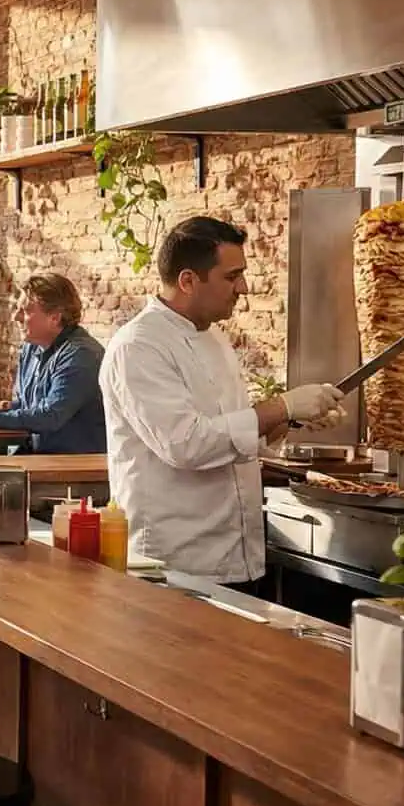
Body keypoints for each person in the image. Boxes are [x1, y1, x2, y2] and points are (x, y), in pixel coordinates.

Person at [100, 217, 343, 591]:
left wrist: (294, 419)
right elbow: (187, 445)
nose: (243, 288)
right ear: (187, 281)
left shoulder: (214, 337)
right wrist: (282, 406)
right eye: (232, 277)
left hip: (235, 554)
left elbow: (233, 432)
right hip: (173, 564)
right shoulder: (138, 347)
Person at [0, 273, 108, 453]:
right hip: (37, 456)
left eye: (26, 310)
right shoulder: (31, 348)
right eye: (17, 308)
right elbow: (24, 407)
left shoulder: (81, 355)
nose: (16, 317)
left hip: (73, 467)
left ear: (55, 317)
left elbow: (49, 417)